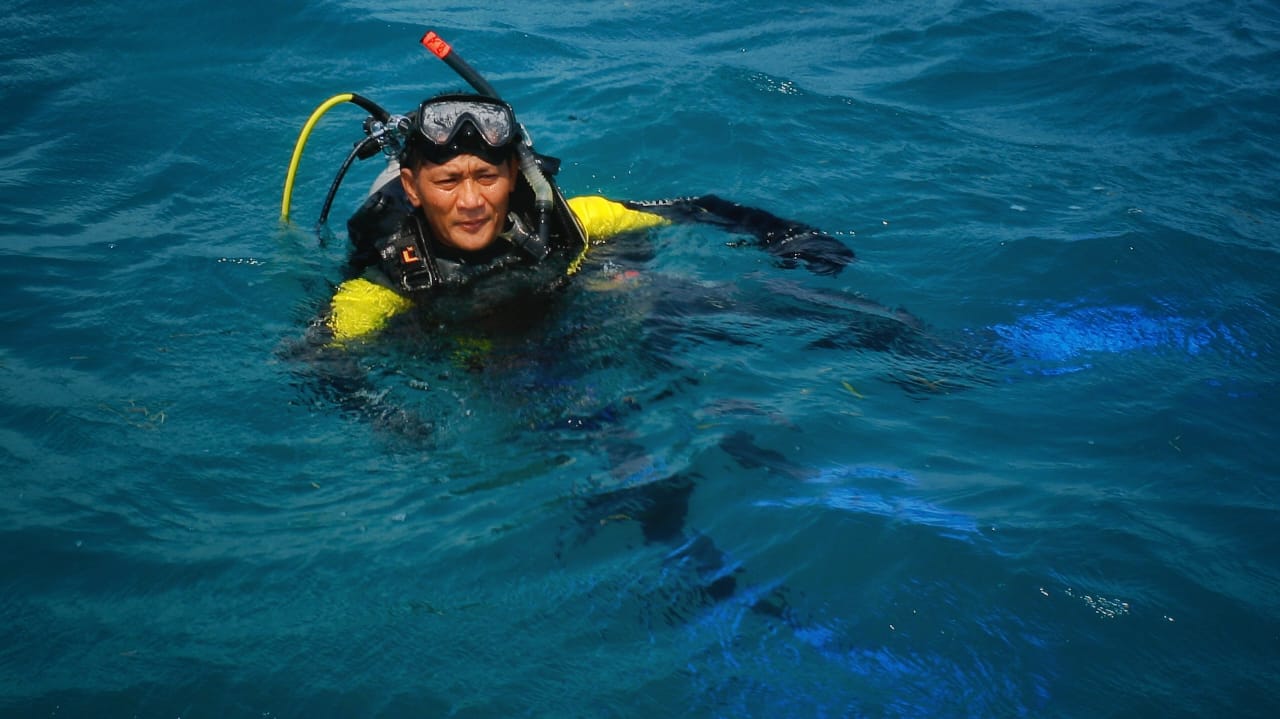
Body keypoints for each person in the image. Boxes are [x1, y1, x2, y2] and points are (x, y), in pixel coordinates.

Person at [322, 92, 857, 345]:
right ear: (413, 188)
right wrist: (391, 418)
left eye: (487, 177)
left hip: (580, 304)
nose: (471, 202)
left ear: (515, 173)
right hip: (490, 354)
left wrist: (786, 237)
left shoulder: (570, 219)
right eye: (447, 182)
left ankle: (903, 349)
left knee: (709, 301)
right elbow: (319, 363)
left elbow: (698, 209)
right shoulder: (383, 282)